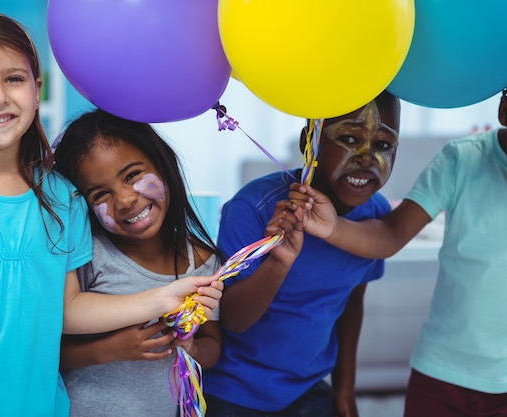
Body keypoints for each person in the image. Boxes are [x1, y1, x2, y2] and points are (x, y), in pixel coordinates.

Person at [0, 13, 221, 417]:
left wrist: (160, 297)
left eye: (14, 79)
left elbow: (70, 310)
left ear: (36, 89)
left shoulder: (63, 198)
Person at [291, 90, 507, 417]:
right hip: (440, 373)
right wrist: (332, 227)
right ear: (504, 106)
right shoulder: (462, 159)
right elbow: (391, 234)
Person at [204, 90, 402, 417]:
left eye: (383, 145)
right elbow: (234, 321)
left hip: (307, 389)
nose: (367, 158)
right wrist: (279, 260)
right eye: (350, 138)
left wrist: (344, 392)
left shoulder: (374, 217)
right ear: (308, 141)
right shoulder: (251, 208)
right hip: (232, 392)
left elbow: (351, 304)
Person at [53, 109, 223, 417]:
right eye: (100, 194)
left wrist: (192, 349)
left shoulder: (203, 263)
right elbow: (43, 352)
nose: (125, 200)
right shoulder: (87, 257)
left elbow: (212, 345)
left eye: (132, 176)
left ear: (162, 163)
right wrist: (108, 350)